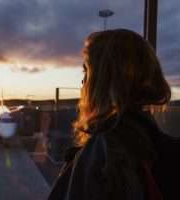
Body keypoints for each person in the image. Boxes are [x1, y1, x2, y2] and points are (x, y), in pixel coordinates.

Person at [47, 29, 171, 200]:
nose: (83, 82)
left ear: (104, 81)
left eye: (86, 72)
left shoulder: (104, 153)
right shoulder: (151, 139)